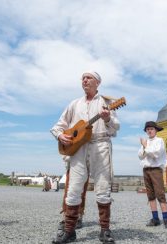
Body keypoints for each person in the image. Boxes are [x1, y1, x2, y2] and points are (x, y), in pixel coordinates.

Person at [51, 71, 120, 243]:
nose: (84, 80)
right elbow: (58, 126)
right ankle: (69, 231)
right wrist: (60, 136)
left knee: (103, 187)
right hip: (78, 148)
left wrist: (107, 119)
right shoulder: (74, 104)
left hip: (100, 145)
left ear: (97, 83)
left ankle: (105, 230)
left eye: (88, 78)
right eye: (83, 78)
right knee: (73, 189)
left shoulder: (106, 103)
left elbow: (115, 128)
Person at [138, 121, 167, 229]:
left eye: (151, 129)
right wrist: (144, 147)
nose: (149, 130)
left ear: (156, 130)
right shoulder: (146, 142)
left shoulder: (160, 141)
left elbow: (156, 154)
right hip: (146, 170)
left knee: (160, 194)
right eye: (147, 129)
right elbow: (140, 156)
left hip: (156, 170)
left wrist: (145, 146)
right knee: (150, 195)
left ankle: (166, 219)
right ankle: (155, 218)